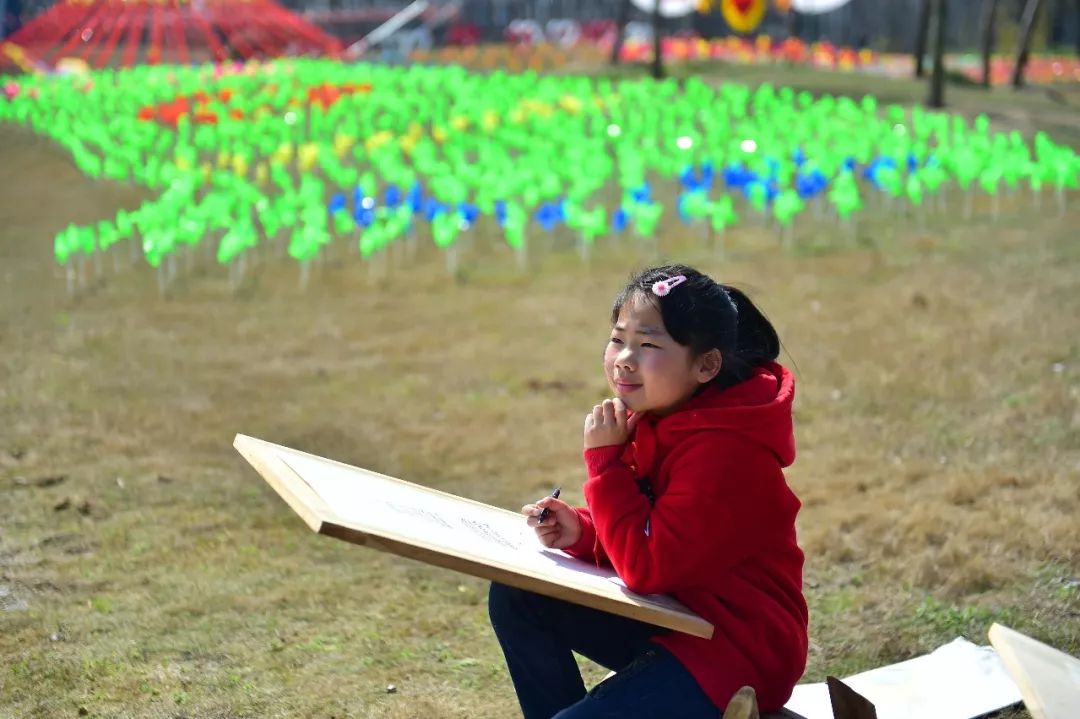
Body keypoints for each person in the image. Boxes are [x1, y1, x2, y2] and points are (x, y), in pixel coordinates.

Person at [488, 264, 808, 718]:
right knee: (518, 593)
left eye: (649, 345)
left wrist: (606, 466)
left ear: (706, 364)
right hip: (675, 616)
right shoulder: (661, 414)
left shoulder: (726, 450)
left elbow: (648, 564)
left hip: (735, 648)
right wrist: (582, 531)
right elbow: (655, 530)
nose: (624, 358)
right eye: (618, 339)